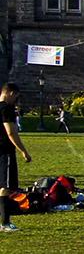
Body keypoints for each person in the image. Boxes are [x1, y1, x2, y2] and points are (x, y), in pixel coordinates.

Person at [0, 84, 32, 233]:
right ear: (11, 93)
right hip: (5, 151)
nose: (16, 100)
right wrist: (23, 151)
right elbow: (11, 132)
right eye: (16, 97)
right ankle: (5, 222)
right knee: (5, 187)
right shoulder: (7, 109)